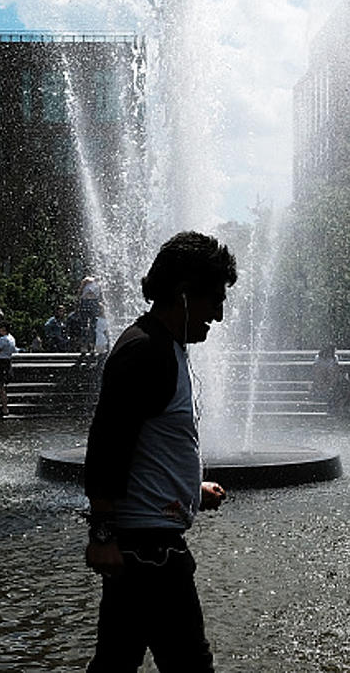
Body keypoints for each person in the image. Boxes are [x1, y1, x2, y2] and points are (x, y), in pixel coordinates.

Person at [84, 231, 237, 672]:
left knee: (116, 662)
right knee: (188, 664)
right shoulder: (146, 352)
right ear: (184, 295)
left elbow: (150, 441)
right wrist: (102, 535)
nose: (220, 315)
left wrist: (191, 489)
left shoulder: (163, 346)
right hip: (146, 551)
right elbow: (107, 441)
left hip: (146, 544)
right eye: (214, 300)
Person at [0, 322, 18, 415]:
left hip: (0, 363)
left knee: (0, 386)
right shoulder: (11, 338)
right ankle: (2, 401)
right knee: (1, 385)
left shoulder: (3, 339)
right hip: (7, 361)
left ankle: (4, 406)